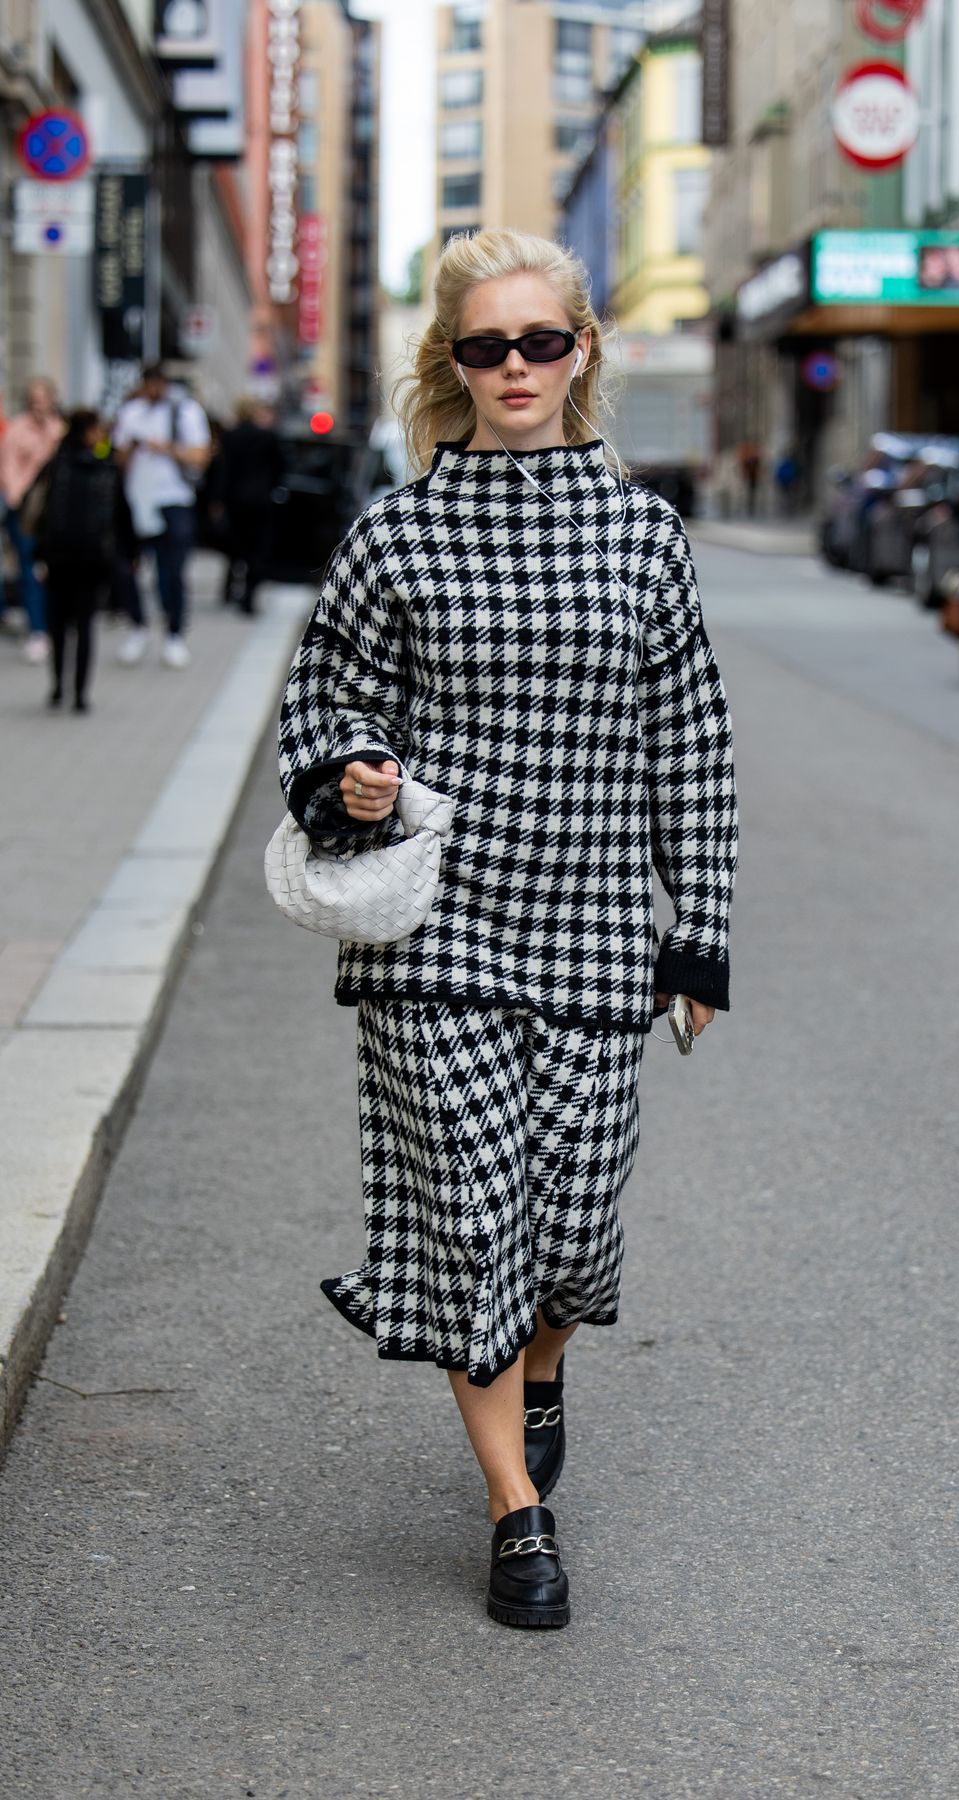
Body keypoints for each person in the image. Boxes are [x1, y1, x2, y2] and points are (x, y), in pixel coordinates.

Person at [277, 228, 738, 1630]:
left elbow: (690, 742)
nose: (516, 366)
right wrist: (350, 765)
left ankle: (542, 1369)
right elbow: (325, 692)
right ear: (453, 364)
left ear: (582, 350)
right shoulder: (398, 531)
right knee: (479, 1218)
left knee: (574, 1237)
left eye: (542, 341)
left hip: (595, 936)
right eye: (487, 346)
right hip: (440, 944)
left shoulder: (645, 535)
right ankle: (515, 1516)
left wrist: (697, 930)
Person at [112, 364, 211, 668]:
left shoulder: (184, 412)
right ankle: (138, 627)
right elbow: (117, 456)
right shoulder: (131, 413)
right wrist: (132, 447)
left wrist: (166, 448)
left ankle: (174, 634)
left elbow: (200, 456)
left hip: (173, 500)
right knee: (128, 568)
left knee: (172, 571)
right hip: (137, 500)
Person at [36, 409, 120, 713]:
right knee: (81, 626)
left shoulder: (58, 465)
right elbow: (119, 515)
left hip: (61, 558)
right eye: (97, 430)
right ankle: (77, 693)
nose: (102, 436)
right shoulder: (104, 467)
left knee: (61, 625)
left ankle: (62, 687)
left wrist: (40, 555)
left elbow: (41, 514)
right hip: (88, 558)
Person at [0, 377, 65, 664]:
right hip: (25, 510)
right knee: (28, 568)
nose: (39, 406)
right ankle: (37, 630)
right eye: (34, 400)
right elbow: (8, 468)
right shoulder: (17, 430)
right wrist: (17, 497)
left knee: (51, 571)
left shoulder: (59, 431)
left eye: (44, 400)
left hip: (54, 512)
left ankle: (54, 624)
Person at [215, 397, 285, 613]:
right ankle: (248, 595)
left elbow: (223, 470)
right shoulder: (267, 436)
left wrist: (218, 499)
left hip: (235, 500)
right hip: (261, 501)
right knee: (257, 549)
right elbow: (280, 468)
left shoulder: (230, 437)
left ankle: (231, 588)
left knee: (237, 546)